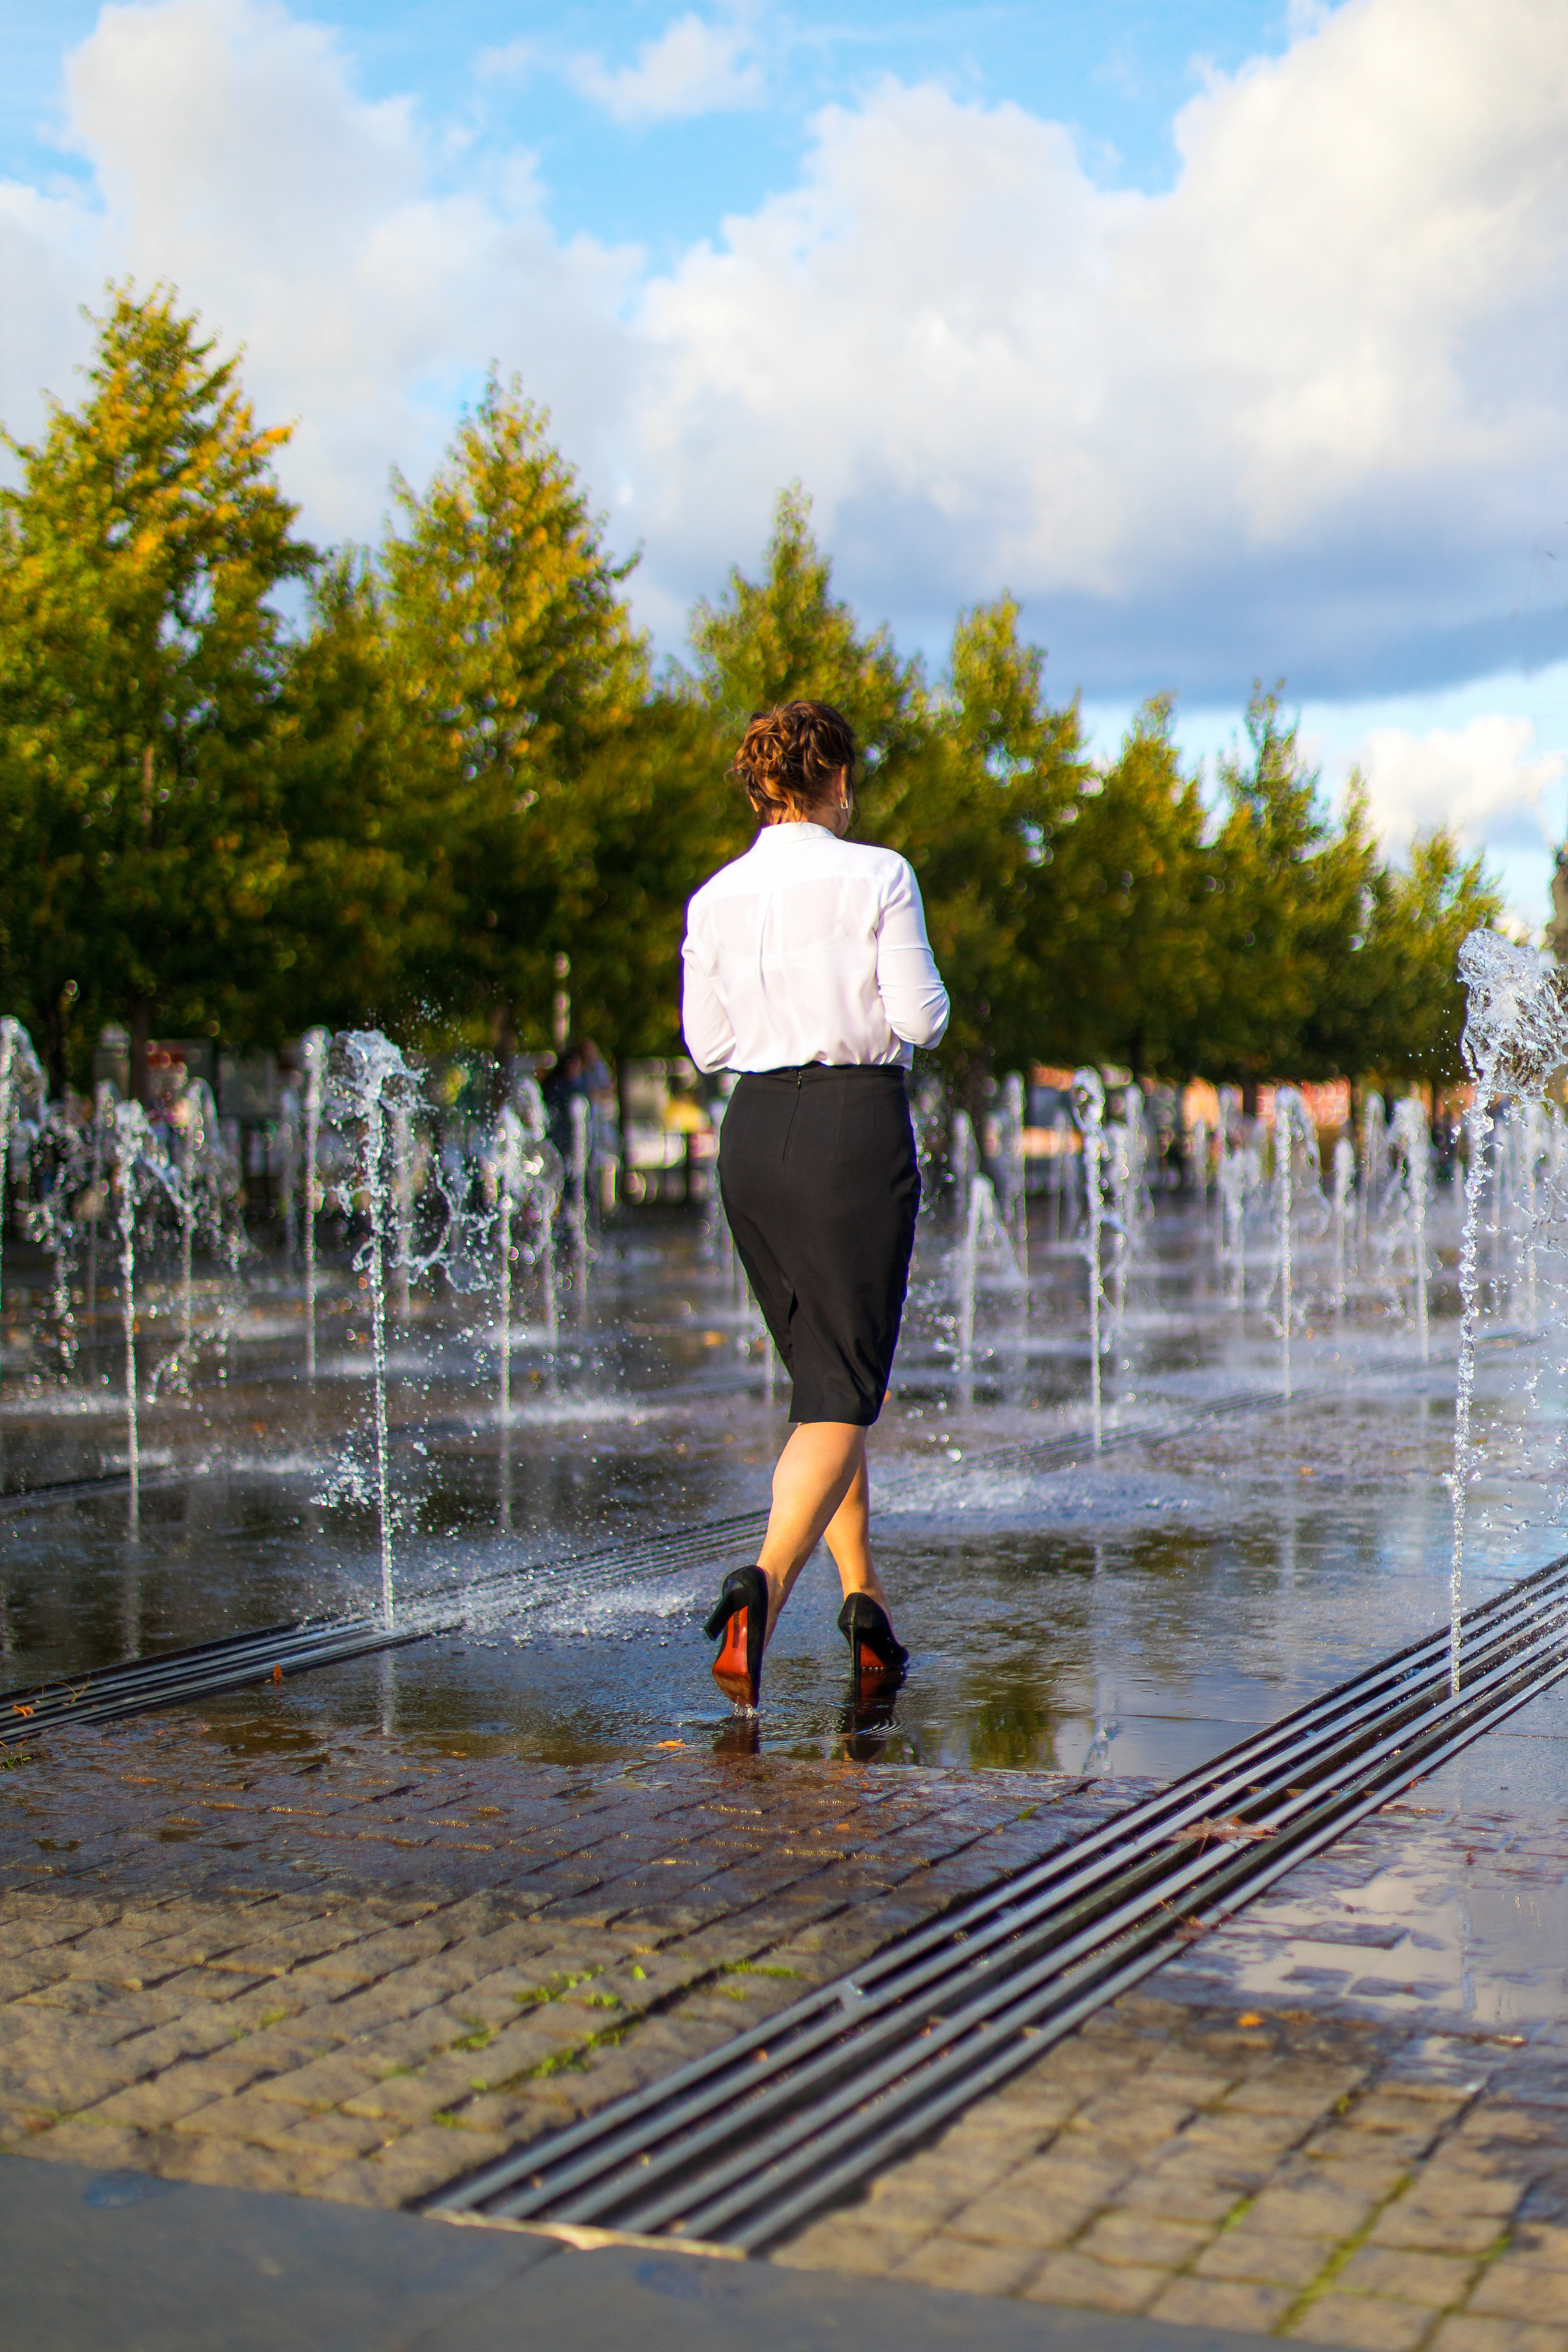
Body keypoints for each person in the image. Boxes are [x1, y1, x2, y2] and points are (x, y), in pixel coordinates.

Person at [680, 699, 950, 1709]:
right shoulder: (878, 873)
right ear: (834, 778)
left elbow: (706, 1045)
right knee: (844, 1388)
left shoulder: (714, 898)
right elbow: (920, 1016)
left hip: (753, 1138)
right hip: (852, 1127)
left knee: (823, 1381)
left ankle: (864, 1593)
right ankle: (769, 1583)